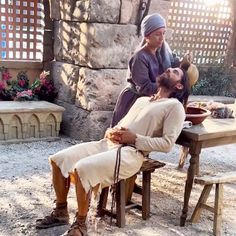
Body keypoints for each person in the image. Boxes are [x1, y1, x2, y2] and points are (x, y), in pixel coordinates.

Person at [36, 64, 197, 236]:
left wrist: (135, 139)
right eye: (170, 68)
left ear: (179, 85)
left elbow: (167, 144)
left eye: (175, 72)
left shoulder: (175, 106)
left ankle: (81, 225)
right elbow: (123, 123)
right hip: (108, 144)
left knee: (82, 168)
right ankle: (61, 212)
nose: (169, 70)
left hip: (131, 154)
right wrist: (112, 130)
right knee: (58, 159)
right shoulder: (142, 99)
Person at [111, 13, 180, 127]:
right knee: (124, 136)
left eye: (163, 33)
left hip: (151, 101)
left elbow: (173, 65)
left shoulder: (161, 52)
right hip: (135, 101)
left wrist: (183, 64)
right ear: (147, 36)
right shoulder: (140, 57)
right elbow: (145, 87)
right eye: (157, 34)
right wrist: (167, 85)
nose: (162, 38)